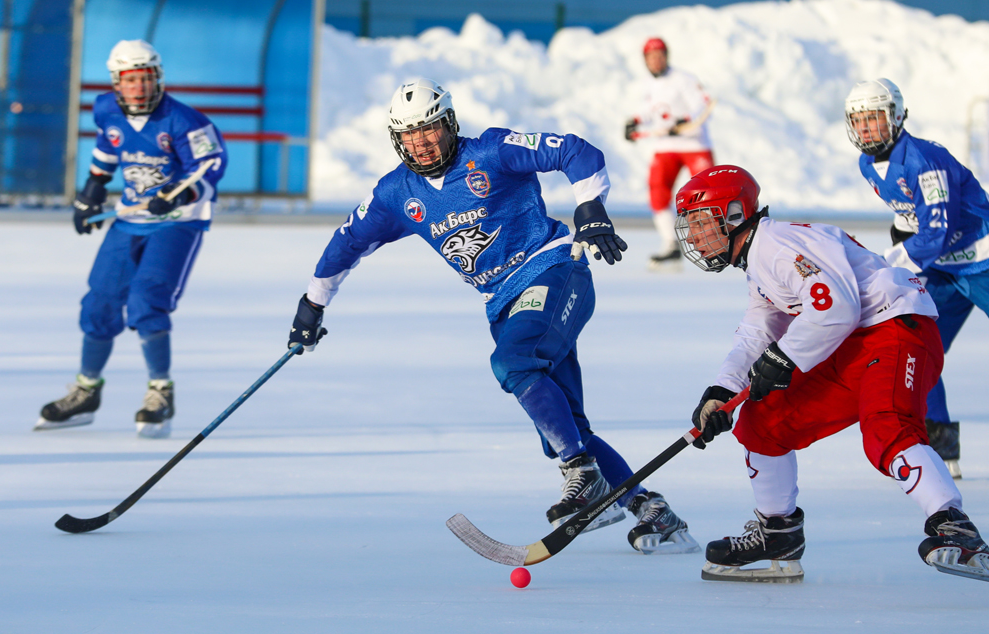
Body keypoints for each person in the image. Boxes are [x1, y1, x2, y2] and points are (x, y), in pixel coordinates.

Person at [287, 77, 699, 554]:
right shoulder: (396, 193)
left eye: (430, 129)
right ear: (395, 139)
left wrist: (590, 206)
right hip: (502, 302)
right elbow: (347, 243)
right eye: (409, 135)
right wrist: (312, 303)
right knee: (569, 424)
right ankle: (653, 512)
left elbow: (576, 152)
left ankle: (582, 476)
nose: (421, 143)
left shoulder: (492, 151)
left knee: (513, 362)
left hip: (553, 269)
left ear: (450, 124)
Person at [675, 165, 989, 583]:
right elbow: (758, 330)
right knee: (763, 420)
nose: (695, 237)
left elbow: (836, 308)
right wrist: (721, 390)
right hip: (853, 343)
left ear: (734, 215)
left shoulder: (778, 245)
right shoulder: (759, 262)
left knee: (886, 427)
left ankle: (955, 528)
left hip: (896, 327)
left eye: (701, 223)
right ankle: (778, 533)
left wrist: (783, 358)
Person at [35, 40, 227, 439]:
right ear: (116, 83)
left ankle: (160, 391)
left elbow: (210, 171)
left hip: (177, 222)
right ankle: (86, 390)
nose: (138, 88)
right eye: (129, 80)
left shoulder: (184, 120)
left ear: (157, 78)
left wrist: (175, 194)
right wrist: (90, 193)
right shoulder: (105, 107)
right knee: (100, 301)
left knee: (145, 300)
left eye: (144, 79)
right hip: (129, 218)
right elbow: (107, 149)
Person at [845, 78, 989, 480]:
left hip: (986, 263)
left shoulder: (925, 160)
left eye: (873, 119)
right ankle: (942, 450)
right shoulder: (867, 164)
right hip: (942, 269)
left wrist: (889, 264)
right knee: (920, 348)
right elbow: (906, 219)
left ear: (896, 117)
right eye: (858, 121)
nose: (865, 129)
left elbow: (937, 230)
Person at [624, 37, 715, 270]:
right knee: (657, 193)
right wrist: (635, 120)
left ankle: (716, 242)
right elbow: (651, 108)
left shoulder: (684, 80)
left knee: (709, 195)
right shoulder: (648, 84)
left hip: (694, 145)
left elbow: (701, 105)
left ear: (667, 56)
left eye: (659, 55)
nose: (656, 61)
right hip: (665, 147)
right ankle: (671, 244)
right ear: (645, 60)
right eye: (651, 57)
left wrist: (684, 121)